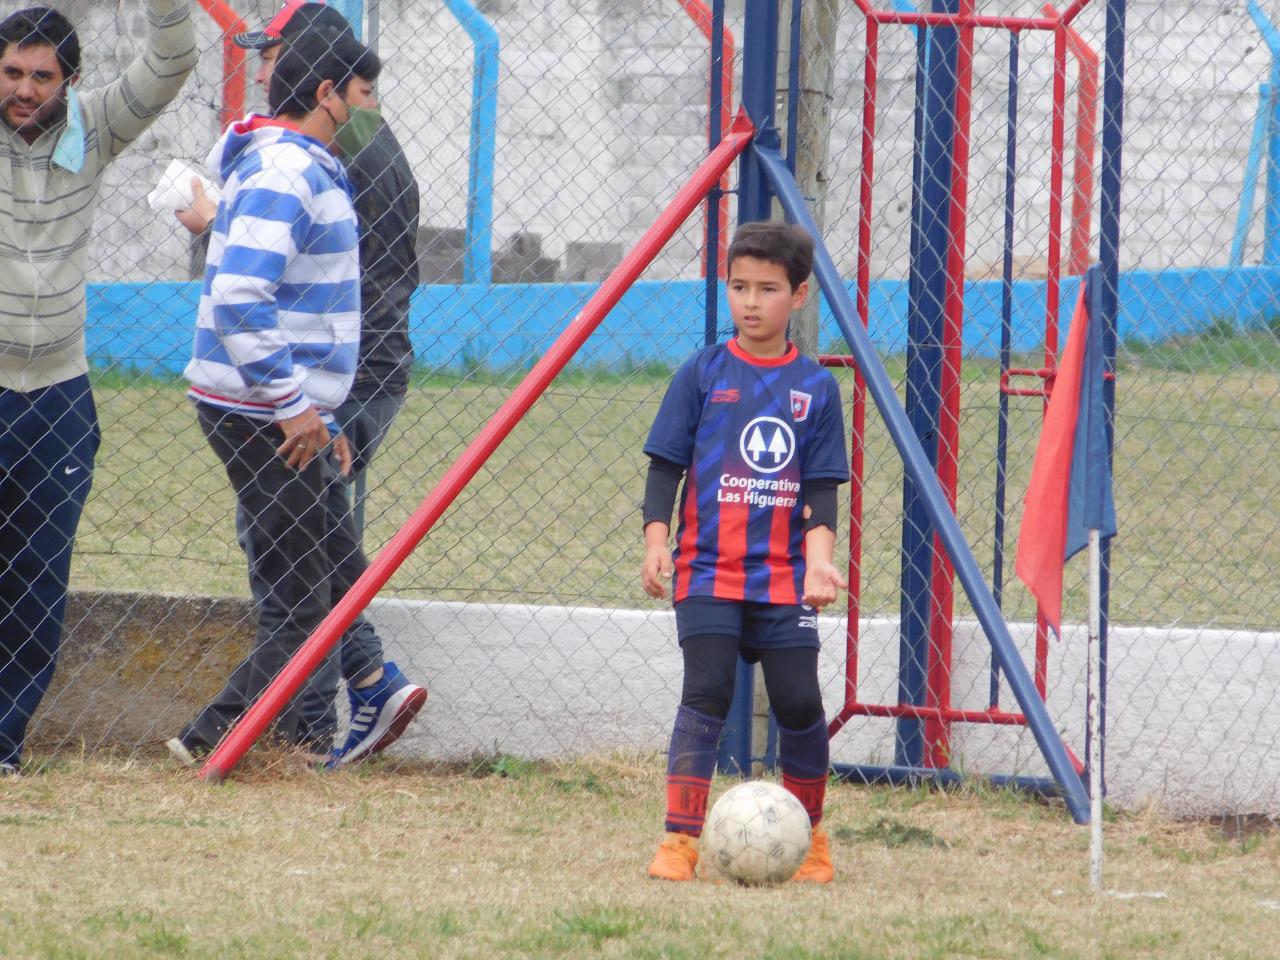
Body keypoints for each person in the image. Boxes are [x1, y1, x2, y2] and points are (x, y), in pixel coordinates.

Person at [174, 1, 424, 768]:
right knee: (299, 603)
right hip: (259, 411)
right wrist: (292, 409)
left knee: (336, 549)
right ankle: (207, 740)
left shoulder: (290, 160)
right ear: (327, 93)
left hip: (284, 407)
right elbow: (242, 296)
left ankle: (375, 683)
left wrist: (319, 414)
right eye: (363, 95)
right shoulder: (288, 169)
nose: (369, 112)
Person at [0, 2, 197, 776]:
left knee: (39, 580)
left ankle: (5, 742)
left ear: (69, 81)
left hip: (57, 400)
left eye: (40, 77)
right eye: (11, 72)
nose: (23, 90)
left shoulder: (95, 127)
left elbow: (169, 65)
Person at [640, 222, 850, 883]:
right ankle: (679, 844)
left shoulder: (816, 389)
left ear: (801, 295)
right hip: (707, 572)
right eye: (738, 287)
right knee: (705, 693)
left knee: (798, 702)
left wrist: (819, 561)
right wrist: (656, 542)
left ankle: (812, 842)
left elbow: (820, 490)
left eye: (767, 289)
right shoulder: (701, 374)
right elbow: (664, 467)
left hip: (786, 579)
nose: (751, 302)